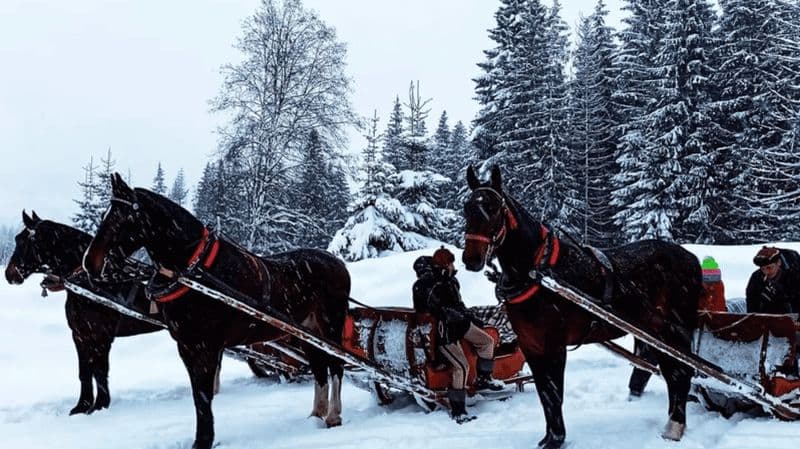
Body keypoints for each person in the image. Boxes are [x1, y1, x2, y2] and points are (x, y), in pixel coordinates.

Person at [412, 246, 505, 424]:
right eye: (450, 263)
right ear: (442, 265)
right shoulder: (428, 285)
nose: (453, 267)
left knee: (487, 341)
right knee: (461, 367)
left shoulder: (450, 281)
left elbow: (458, 306)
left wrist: (472, 319)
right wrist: (457, 315)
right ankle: (458, 411)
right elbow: (438, 313)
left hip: (459, 325)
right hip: (442, 333)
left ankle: (484, 378)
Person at [628, 255, 729, 399]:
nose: (709, 282)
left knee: (684, 356)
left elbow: (715, 309)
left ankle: (690, 390)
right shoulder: (686, 282)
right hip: (676, 324)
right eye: (706, 278)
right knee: (654, 352)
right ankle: (636, 389)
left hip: (700, 326)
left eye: (711, 278)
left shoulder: (714, 285)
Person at [746, 246, 800, 315]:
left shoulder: (794, 276)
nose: (766, 272)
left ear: (779, 263)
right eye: (762, 269)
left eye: (769, 268)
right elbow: (751, 306)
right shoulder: (756, 278)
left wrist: (781, 295)